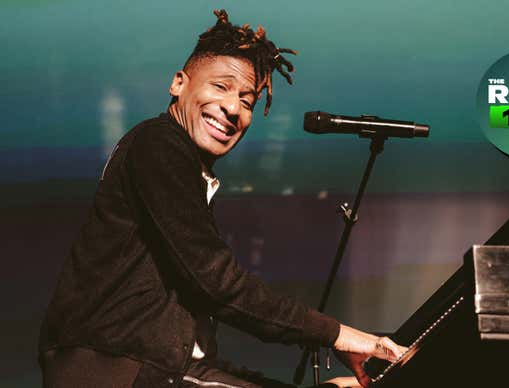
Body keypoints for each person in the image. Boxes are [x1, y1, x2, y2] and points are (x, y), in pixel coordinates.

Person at [38, 9, 406, 388]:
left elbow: (194, 357)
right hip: (112, 369)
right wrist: (338, 335)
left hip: (150, 368)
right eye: (221, 87)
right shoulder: (159, 144)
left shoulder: (185, 171)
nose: (233, 109)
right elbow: (219, 284)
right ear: (179, 84)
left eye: (247, 101)